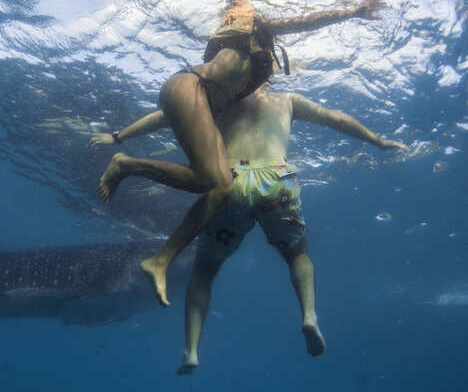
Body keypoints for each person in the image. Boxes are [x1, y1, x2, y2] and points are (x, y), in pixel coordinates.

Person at [90, 0, 387, 307]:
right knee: (212, 182)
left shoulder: (233, 77)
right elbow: (306, 22)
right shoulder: (251, 30)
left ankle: (161, 261)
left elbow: (166, 116)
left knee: (220, 187)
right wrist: (354, 12)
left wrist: (119, 134)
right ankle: (125, 165)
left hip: (188, 92)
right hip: (187, 87)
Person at [91, 84, 408, 373]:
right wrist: (377, 140)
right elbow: (335, 117)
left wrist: (118, 137)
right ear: (266, 75)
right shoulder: (287, 100)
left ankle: (191, 351)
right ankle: (309, 317)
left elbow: (167, 116)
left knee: (204, 271)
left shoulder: (218, 102)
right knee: (298, 256)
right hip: (277, 179)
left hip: (233, 182)